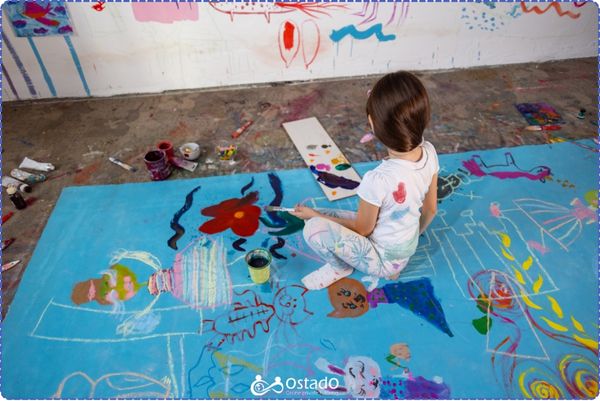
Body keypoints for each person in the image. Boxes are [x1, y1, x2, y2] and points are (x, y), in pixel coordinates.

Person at [291, 71, 439, 290]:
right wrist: (406, 241)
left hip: (381, 260)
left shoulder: (378, 179)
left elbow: (363, 231)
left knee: (313, 228)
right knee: (326, 215)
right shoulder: (429, 151)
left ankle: (339, 268)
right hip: (404, 250)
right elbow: (431, 210)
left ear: (373, 124)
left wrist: (315, 216)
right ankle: (393, 262)